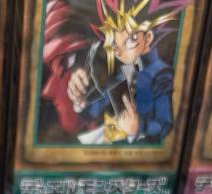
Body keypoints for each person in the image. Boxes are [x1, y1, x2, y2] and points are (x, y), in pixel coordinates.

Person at [65, 0, 180, 144]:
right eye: (115, 44)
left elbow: (165, 125)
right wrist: (81, 101)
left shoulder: (161, 75)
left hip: (141, 146)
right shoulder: (126, 70)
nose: (119, 52)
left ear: (148, 38)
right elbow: (101, 104)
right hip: (112, 138)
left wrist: (139, 127)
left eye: (130, 40)